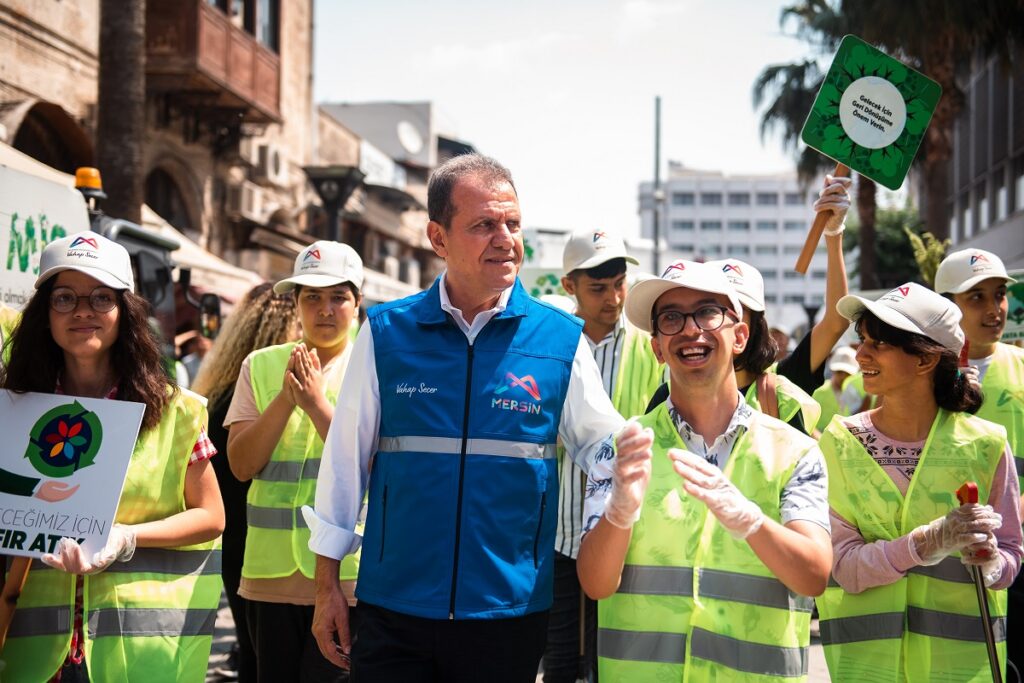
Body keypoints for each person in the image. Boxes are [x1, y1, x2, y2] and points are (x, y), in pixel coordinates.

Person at [306, 153, 628, 682]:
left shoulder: (559, 340)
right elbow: (344, 465)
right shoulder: (386, 333)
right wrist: (327, 587)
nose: (506, 239)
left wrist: (608, 517)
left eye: (513, 223)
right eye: (484, 225)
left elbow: (606, 448)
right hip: (394, 607)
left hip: (509, 611)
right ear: (438, 238)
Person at [577, 259, 832, 681]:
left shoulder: (795, 452)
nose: (691, 330)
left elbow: (814, 576)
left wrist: (751, 521)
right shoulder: (621, 447)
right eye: (671, 318)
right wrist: (618, 513)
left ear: (740, 336)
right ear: (657, 346)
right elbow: (596, 584)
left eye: (708, 313)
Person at [1, 231, 225, 682]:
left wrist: (125, 537)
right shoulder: (13, 408)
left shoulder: (176, 411)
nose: (83, 311)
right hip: (29, 651)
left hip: (136, 653)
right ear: (44, 314)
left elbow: (212, 516)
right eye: (64, 298)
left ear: (125, 312)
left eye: (100, 297)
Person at [817, 282, 1023, 681]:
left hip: (963, 670)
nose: (861, 354)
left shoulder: (987, 444)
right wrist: (924, 544)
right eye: (863, 341)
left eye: (879, 344)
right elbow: (841, 565)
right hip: (867, 669)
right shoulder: (840, 443)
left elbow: (1012, 552)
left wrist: (993, 562)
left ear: (925, 360)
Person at [225, 241, 363, 683]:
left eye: (339, 297)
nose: (325, 309)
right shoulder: (260, 365)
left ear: (358, 304)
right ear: (295, 305)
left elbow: (373, 468)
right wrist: (286, 400)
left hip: (350, 577)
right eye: (312, 297)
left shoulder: (376, 365)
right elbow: (241, 466)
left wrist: (317, 404)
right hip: (269, 574)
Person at [541, 228, 663, 683]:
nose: (613, 298)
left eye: (619, 284)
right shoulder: (550, 344)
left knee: (615, 665)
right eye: (598, 288)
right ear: (569, 285)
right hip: (556, 537)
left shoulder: (648, 348)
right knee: (559, 667)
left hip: (622, 539)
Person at [645, 174, 853, 432]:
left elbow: (836, 322)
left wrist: (833, 234)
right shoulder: (669, 397)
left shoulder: (781, 387)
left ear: (750, 328)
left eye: (736, 311)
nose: (716, 324)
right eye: (708, 311)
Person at [191, 282, 300, 682]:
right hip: (276, 550)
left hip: (236, 546)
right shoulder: (279, 390)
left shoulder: (215, 394)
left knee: (256, 657)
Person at [935, 247, 1024, 670]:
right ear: (946, 307)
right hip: (942, 558)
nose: (995, 309)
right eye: (977, 298)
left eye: (1000, 295)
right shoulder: (921, 379)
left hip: (1013, 555)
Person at [811, 345, 859, 434]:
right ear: (833, 371)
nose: (843, 377)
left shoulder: (853, 394)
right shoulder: (819, 391)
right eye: (840, 372)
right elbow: (807, 422)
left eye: (847, 374)